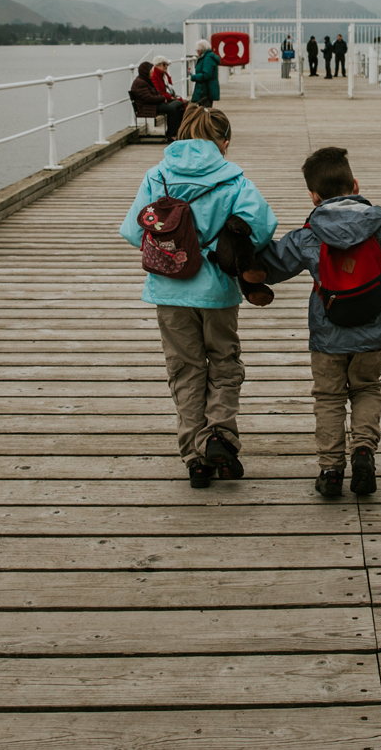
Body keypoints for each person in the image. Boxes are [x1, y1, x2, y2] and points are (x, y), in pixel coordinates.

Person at [257, 146, 381, 498]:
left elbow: (271, 268)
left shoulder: (308, 235)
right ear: (355, 185)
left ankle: (331, 469)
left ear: (313, 196)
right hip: (375, 330)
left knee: (329, 397)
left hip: (327, 334)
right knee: (366, 388)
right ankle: (363, 450)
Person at [120, 105, 277, 488]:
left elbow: (131, 231)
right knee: (224, 362)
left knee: (185, 368)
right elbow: (263, 228)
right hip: (218, 292)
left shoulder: (157, 176)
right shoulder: (233, 178)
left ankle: (195, 455)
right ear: (223, 142)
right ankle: (219, 436)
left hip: (169, 289)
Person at [130, 60, 186, 142]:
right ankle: (171, 135)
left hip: (151, 105)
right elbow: (149, 98)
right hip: (147, 107)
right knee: (172, 110)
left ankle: (175, 132)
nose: (152, 71)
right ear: (146, 71)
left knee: (178, 106)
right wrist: (163, 98)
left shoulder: (145, 80)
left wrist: (161, 98)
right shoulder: (140, 83)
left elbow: (152, 96)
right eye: (150, 70)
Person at [190, 39, 220, 107]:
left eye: (197, 50)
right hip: (207, 89)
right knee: (206, 109)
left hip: (205, 90)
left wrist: (194, 77)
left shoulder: (207, 59)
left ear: (201, 50)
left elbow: (206, 75)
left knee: (205, 109)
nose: (197, 52)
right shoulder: (209, 57)